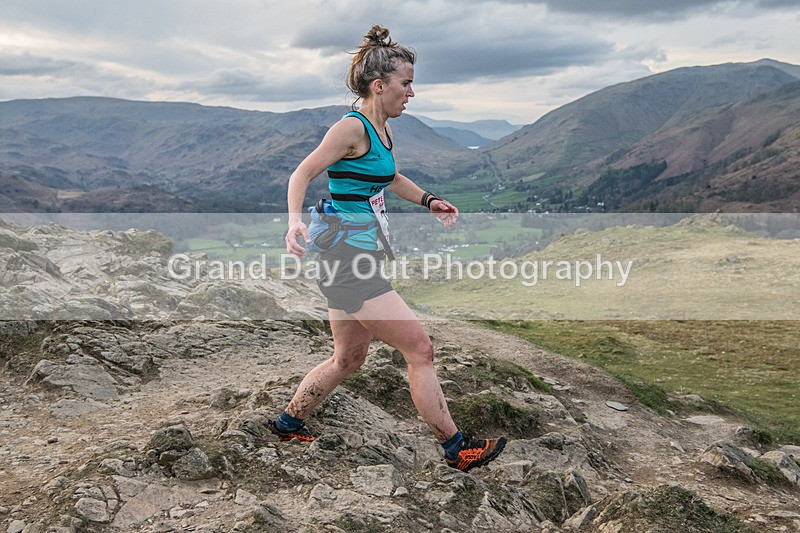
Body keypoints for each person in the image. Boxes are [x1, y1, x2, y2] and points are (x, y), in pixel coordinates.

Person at [274, 24, 506, 472]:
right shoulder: (350, 129)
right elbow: (299, 175)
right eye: (406, 83)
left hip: (354, 255)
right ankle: (457, 448)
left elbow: (390, 178)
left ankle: (288, 422)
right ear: (379, 86)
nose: (412, 92)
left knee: (348, 358)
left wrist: (429, 200)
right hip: (348, 259)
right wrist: (293, 223)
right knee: (420, 349)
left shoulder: (383, 130)